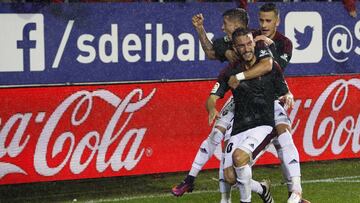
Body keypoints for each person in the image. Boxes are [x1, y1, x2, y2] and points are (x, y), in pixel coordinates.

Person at [172, 8, 276, 203]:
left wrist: (241, 76)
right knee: (219, 139)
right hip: (239, 98)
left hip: (266, 100)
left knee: (284, 145)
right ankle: (192, 179)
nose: (221, 27)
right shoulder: (228, 45)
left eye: (225, 24)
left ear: (237, 25)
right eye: (241, 46)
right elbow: (211, 52)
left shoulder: (258, 40)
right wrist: (200, 29)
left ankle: (295, 191)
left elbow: (269, 65)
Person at [216, 27, 290, 203]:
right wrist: (212, 107)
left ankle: (295, 188)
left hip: (262, 121)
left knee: (240, 158)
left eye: (250, 43)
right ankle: (262, 189)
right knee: (230, 177)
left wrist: (288, 93)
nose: (247, 47)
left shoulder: (265, 61)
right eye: (241, 45)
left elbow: (271, 68)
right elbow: (215, 93)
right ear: (235, 47)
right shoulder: (231, 68)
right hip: (240, 123)